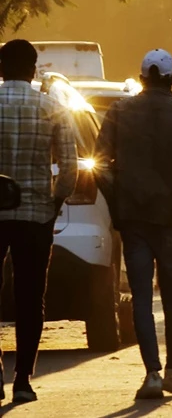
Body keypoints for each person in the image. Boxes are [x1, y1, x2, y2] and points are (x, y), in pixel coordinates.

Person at [95, 49, 172, 400]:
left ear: (143, 77)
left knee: (142, 297)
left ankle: (153, 374)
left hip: (135, 219)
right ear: (171, 79)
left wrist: (119, 204)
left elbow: (100, 164)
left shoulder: (119, 111)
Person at [0, 40, 78, 405]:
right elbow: (69, 168)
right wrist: (54, 202)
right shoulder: (53, 108)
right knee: (30, 296)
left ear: (2, 68)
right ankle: (22, 380)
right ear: (33, 70)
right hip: (35, 217)